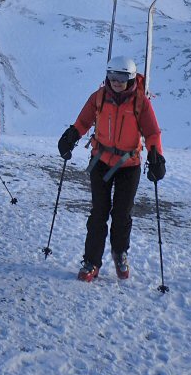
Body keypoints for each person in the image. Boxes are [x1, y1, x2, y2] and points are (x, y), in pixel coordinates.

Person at [57, 56, 166, 282]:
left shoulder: (140, 102)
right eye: (113, 76)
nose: (116, 82)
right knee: (98, 213)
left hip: (130, 166)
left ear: (131, 78)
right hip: (100, 161)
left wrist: (156, 157)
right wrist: (71, 136)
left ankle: (120, 253)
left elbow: (152, 132)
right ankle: (91, 262)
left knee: (121, 214)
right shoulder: (99, 97)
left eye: (122, 77)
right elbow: (84, 121)